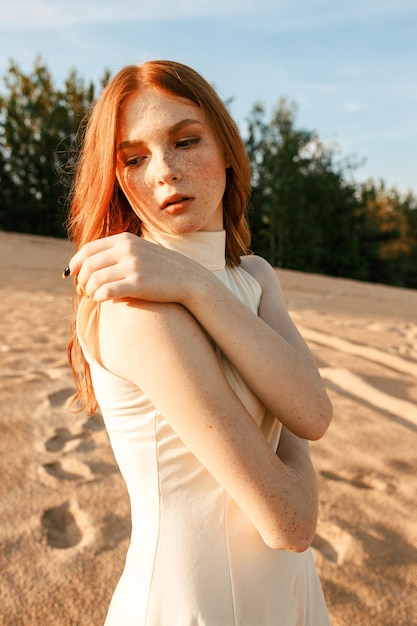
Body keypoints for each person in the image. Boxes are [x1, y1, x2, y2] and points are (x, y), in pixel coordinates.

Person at [63, 60, 333, 625]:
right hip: (193, 603)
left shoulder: (254, 277)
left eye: (186, 141)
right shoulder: (137, 308)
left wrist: (194, 284)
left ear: (229, 151)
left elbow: (312, 413)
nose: (164, 171)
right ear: (117, 179)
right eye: (134, 158)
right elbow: (290, 521)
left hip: (289, 594)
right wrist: (292, 439)